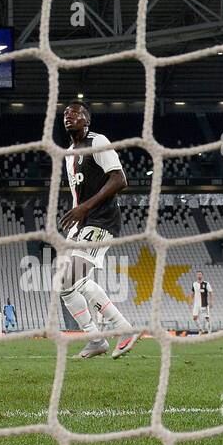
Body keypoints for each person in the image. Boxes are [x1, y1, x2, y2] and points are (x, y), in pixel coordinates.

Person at [57, 103, 139, 360]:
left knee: (69, 280)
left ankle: (115, 332)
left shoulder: (98, 141)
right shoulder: (70, 152)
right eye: (65, 115)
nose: (69, 117)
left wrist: (83, 209)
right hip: (84, 223)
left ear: (87, 120)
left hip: (101, 220)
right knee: (66, 284)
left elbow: (119, 179)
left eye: (75, 114)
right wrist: (76, 216)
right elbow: (78, 194)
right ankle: (102, 337)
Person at [191, 270, 213, 334]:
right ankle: (201, 329)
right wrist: (191, 301)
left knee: (207, 318)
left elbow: (211, 293)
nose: (199, 275)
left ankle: (209, 332)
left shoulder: (206, 283)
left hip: (204, 304)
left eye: (200, 274)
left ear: (202, 275)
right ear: (196, 275)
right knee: (194, 318)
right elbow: (192, 293)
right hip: (196, 304)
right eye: (198, 274)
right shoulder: (194, 284)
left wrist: (211, 301)